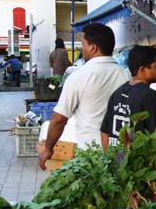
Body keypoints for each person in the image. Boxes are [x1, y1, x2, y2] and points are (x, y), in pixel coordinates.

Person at [39, 23, 130, 169]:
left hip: (90, 155)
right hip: (121, 154)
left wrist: (48, 149)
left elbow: (59, 119)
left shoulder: (78, 76)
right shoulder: (125, 75)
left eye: (83, 44)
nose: (82, 49)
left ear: (93, 48)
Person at [100, 46, 156, 148]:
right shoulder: (150, 96)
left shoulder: (117, 93)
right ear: (142, 69)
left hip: (118, 159)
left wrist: (111, 160)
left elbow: (104, 132)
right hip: (140, 162)